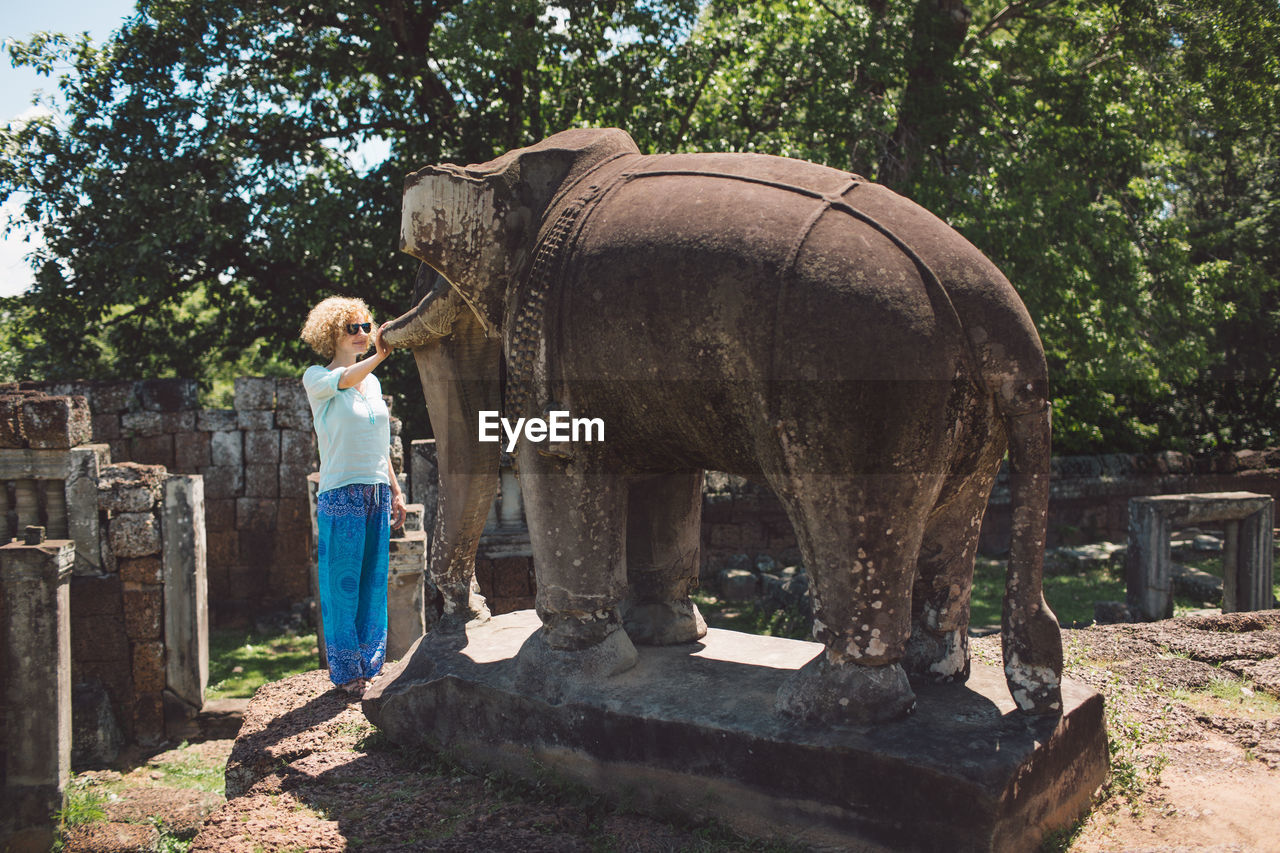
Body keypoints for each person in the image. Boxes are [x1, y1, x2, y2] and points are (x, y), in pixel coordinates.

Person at [300, 296, 408, 696]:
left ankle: (371, 664)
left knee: (373, 582)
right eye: (354, 329)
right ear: (333, 334)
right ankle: (348, 673)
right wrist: (380, 354)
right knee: (342, 585)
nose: (363, 334)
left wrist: (396, 492)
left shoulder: (374, 382)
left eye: (367, 327)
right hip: (340, 492)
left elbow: (379, 444)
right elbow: (345, 379)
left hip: (377, 490)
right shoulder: (317, 377)